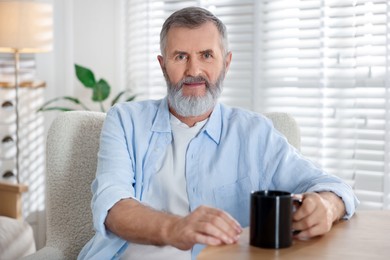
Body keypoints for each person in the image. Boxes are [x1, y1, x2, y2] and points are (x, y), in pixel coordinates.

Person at [78, 6, 358, 260]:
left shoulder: (254, 133)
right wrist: (178, 227)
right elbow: (112, 206)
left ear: (226, 62)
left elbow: (331, 185)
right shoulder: (124, 121)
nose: (194, 70)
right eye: (180, 56)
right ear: (163, 65)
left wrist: (327, 206)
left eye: (207, 55)